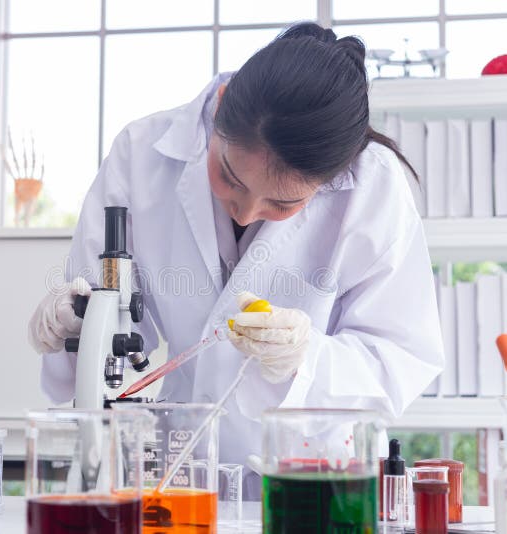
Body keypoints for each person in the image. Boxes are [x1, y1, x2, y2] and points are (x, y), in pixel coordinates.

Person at [28, 22, 444, 495]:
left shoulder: (374, 185)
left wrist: (304, 358)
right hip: (182, 476)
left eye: (283, 205)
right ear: (222, 104)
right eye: (229, 176)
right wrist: (79, 324)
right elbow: (114, 331)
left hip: (315, 480)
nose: (245, 210)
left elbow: (402, 358)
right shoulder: (140, 154)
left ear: (332, 176)